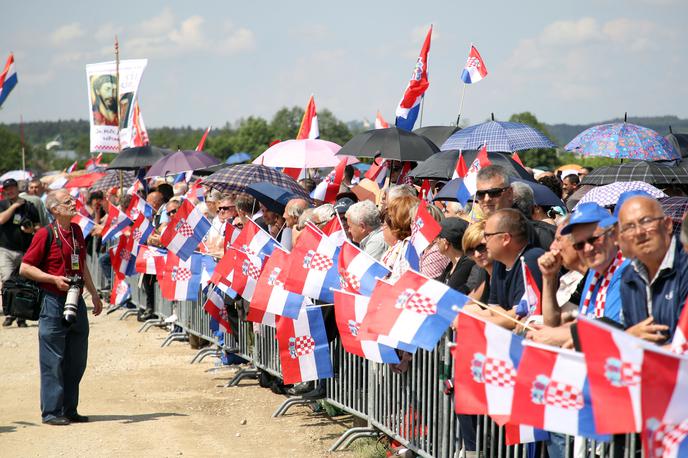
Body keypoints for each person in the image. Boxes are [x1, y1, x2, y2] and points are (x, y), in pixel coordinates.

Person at [19, 190, 103, 425]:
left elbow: (82, 264)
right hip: (54, 301)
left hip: (77, 300)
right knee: (52, 359)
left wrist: (94, 294)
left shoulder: (76, 231)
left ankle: (69, 408)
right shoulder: (45, 234)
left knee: (77, 358)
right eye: (67, 202)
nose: (73, 203)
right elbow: (25, 268)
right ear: (55, 209)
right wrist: (52, 279)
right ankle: (52, 412)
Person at [618, 195, 688, 342]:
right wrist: (628, 337)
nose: (639, 232)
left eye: (646, 221)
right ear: (623, 237)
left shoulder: (684, 267)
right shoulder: (628, 278)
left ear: (668, 224)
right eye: (629, 227)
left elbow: (683, 345)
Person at [481, 208, 545, 329]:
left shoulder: (531, 259)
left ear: (505, 238)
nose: (484, 241)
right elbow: (494, 307)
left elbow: (522, 314)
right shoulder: (499, 261)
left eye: (487, 235)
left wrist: (475, 323)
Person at [475, 165, 554, 250]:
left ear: (509, 193)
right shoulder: (476, 235)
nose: (487, 199)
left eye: (494, 192)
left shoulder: (539, 234)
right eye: (481, 194)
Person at [1, 178, 40, 327]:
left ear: (17, 188)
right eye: (7, 189)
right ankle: (9, 313)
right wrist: (14, 207)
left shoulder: (29, 206)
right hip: (5, 249)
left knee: (23, 283)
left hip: (25, 249)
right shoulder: (2, 204)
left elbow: (38, 226)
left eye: (12, 188)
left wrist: (31, 230)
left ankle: (21, 315)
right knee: (7, 281)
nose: (10, 191)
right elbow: (1, 220)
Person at [436, 218, 474, 293]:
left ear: (445, 242)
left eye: (438, 237)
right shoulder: (452, 264)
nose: (436, 241)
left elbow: (448, 292)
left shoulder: (467, 263)